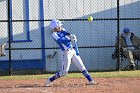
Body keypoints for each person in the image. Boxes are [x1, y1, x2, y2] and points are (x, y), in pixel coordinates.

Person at [44, 19, 98, 87]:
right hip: (65, 53)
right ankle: (50, 79)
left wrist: (72, 35)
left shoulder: (62, 29)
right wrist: (69, 39)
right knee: (64, 72)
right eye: (58, 26)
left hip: (72, 50)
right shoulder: (54, 34)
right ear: (55, 27)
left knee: (81, 66)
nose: (60, 26)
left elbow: (67, 33)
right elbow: (61, 41)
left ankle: (91, 80)